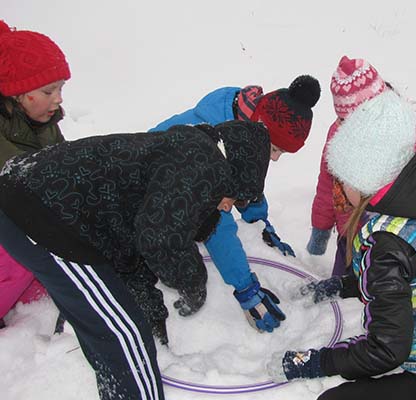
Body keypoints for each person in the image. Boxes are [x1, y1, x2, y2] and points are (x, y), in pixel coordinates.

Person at [0, 121, 272, 399]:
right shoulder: (203, 163)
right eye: (235, 198)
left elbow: (131, 253)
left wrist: (153, 321)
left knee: (118, 333)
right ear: (234, 169)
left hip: (30, 198)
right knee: (124, 336)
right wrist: (193, 283)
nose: (227, 206)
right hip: (44, 214)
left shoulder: (184, 159)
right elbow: (159, 239)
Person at [268, 87, 416, 399]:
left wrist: (315, 363)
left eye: (342, 178)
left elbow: (386, 350)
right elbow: (402, 280)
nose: (339, 187)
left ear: (362, 180)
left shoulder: (387, 241)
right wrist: (342, 286)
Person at [143, 75, 320, 341]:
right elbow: (217, 222)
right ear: (260, 128)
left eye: (281, 153)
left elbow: (247, 180)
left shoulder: (247, 123)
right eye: (274, 149)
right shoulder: (212, 145)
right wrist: (245, 287)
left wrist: (260, 222)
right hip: (149, 197)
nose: (274, 158)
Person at [307, 56, 416, 277]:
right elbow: (327, 185)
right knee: (344, 289)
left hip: (393, 249)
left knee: (380, 293)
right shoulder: (338, 134)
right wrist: (320, 230)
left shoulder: (414, 144)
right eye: (340, 119)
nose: (341, 126)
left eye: (348, 122)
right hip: (350, 238)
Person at [0, 19, 71, 326]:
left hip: (21, 218)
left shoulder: (43, 121)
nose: (59, 98)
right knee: (20, 252)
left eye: (61, 88)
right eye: (48, 90)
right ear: (15, 94)